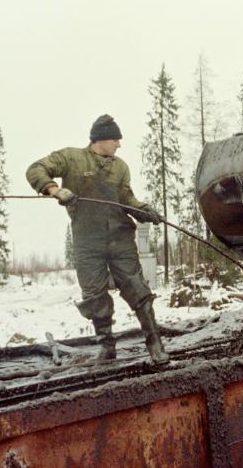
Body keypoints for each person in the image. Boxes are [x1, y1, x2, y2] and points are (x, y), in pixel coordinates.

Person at [26, 114, 169, 364]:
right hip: (87, 241)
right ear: (101, 140)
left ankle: (154, 343)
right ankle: (106, 347)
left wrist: (144, 209)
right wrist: (56, 190)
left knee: (138, 290)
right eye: (116, 139)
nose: (119, 145)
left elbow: (126, 200)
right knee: (94, 295)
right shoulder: (71, 158)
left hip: (120, 239)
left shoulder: (120, 167)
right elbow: (35, 169)